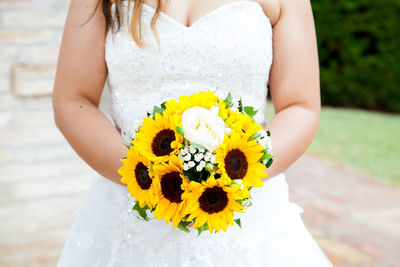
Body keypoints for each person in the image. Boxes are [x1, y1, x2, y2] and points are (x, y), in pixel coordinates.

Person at [53, 0, 334, 266]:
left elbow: (300, 106)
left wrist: (235, 174)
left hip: (246, 212)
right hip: (129, 212)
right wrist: (147, 178)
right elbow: (74, 101)